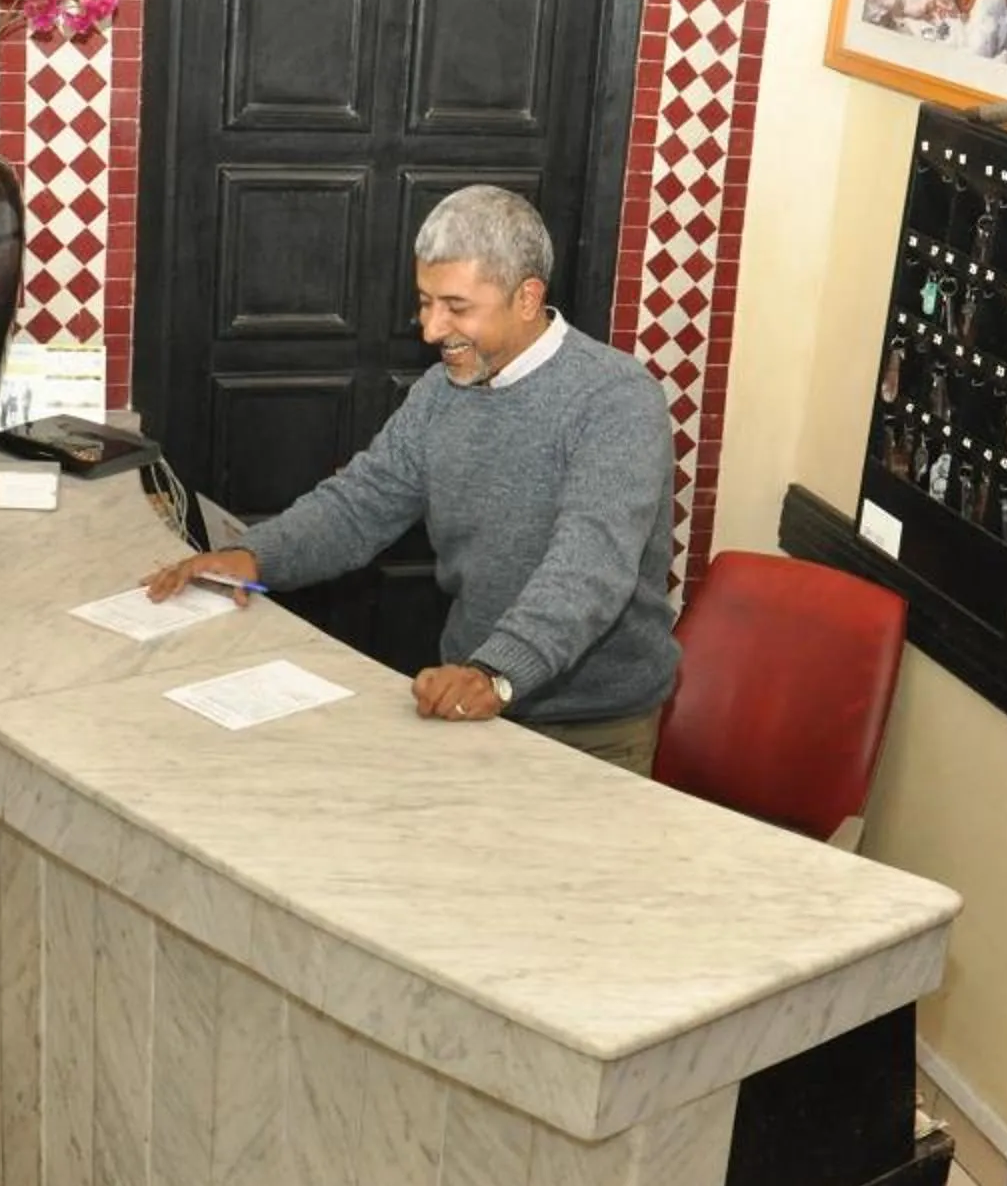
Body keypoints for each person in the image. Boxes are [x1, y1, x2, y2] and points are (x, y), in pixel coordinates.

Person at [141, 185, 679, 775]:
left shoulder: (615, 399)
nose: (430, 329)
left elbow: (589, 566)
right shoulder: (441, 391)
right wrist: (252, 557)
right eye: (425, 302)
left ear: (527, 297)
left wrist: (498, 672)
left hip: (589, 726)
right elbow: (361, 503)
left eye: (456, 307)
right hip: (472, 693)